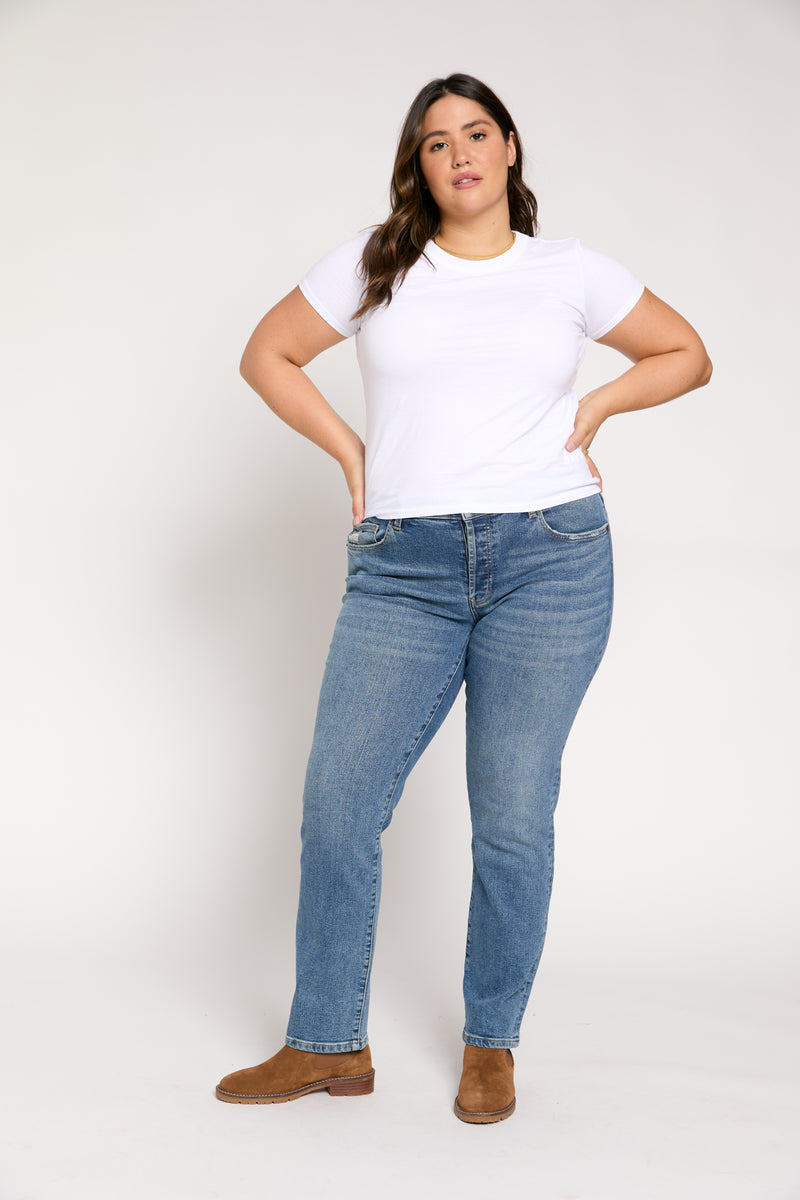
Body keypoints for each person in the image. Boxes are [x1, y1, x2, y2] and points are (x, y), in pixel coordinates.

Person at [215, 73, 712, 1123]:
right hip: (404, 565)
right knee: (339, 802)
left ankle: (491, 1042)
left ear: (510, 149)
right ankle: (326, 1043)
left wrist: (601, 404)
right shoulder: (376, 260)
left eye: (475, 133)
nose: (458, 154)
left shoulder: (567, 271)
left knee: (511, 815)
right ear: (420, 165)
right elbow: (268, 354)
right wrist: (350, 449)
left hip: (550, 558)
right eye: (436, 142)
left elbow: (685, 353)